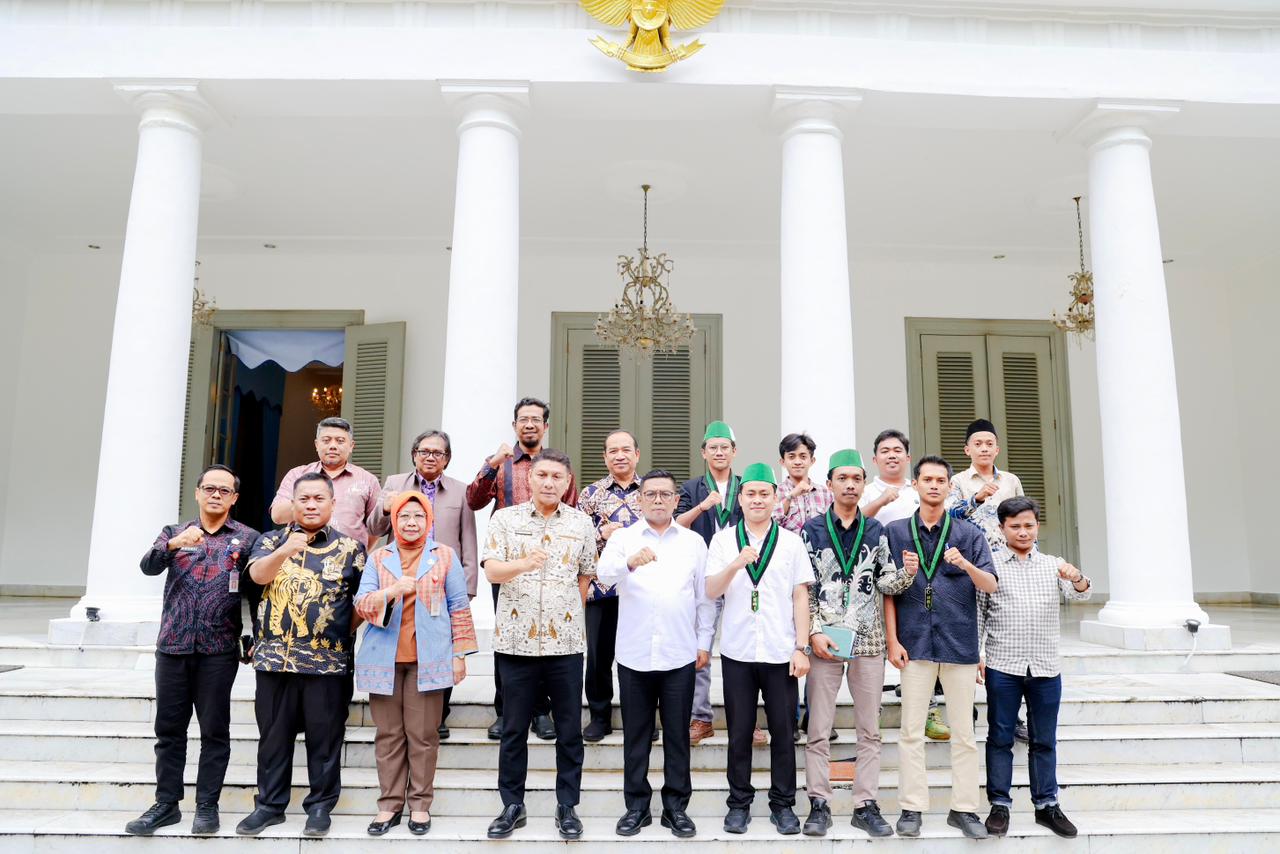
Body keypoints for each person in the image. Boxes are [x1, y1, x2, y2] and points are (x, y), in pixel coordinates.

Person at [126, 464, 259, 837]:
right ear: (198, 493)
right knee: (169, 730)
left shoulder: (247, 538)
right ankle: (166, 804)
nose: (216, 495)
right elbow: (148, 567)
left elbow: (257, 591)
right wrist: (173, 545)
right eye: (210, 488)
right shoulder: (174, 532)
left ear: (234, 498)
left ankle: (206, 806)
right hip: (173, 646)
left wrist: (256, 636)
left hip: (219, 649)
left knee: (215, 730)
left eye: (224, 490)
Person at [235, 472, 367, 838]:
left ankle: (320, 806)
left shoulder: (351, 549)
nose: (311, 505)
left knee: (325, 739)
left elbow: (361, 602)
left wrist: (336, 631)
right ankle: (269, 806)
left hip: (327, 663)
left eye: (318, 499)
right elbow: (257, 578)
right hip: (274, 660)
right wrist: (285, 551)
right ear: (292, 504)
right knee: (273, 737)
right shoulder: (268, 541)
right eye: (304, 499)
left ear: (332, 504)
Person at [482, 449, 597, 841]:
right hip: (516, 643)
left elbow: (585, 576)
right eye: (542, 475)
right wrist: (523, 564)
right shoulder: (505, 519)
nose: (549, 482)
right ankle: (512, 805)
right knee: (514, 729)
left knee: (569, 730)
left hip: (566, 644)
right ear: (530, 478)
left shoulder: (582, 523)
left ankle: (567, 805)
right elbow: (492, 571)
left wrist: (569, 614)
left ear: (568, 482)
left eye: (557, 477)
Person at [883, 455, 997, 840]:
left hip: (959, 643)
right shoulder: (897, 532)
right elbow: (886, 591)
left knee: (963, 733)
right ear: (915, 484)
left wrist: (965, 565)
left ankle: (963, 809)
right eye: (927, 479)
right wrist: (892, 640)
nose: (934, 485)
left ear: (950, 487)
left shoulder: (968, 534)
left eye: (940, 480)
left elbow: (990, 584)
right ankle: (912, 807)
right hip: (913, 643)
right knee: (911, 732)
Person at [597, 469, 715, 839]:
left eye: (665, 494)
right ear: (640, 499)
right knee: (636, 735)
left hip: (679, 654)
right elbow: (603, 574)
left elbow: (704, 598)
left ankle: (676, 808)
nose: (658, 500)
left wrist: (704, 643)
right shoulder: (624, 538)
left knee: (678, 736)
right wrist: (629, 562)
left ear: (676, 500)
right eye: (651, 494)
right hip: (634, 655)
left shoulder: (693, 542)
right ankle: (636, 807)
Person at [801, 449, 913, 838]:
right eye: (843, 478)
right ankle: (819, 803)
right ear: (829, 484)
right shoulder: (812, 529)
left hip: (869, 641)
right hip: (826, 642)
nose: (850, 485)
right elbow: (805, 588)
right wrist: (813, 631)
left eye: (857, 479)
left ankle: (865, 805)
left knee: (869, 730)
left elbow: (885, 583)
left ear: (864, 484)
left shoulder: (876, 530)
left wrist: (907, 574)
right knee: (819, 728)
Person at [354, 492, 478, 836]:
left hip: (430, 659)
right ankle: (389, 804)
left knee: (423, 735)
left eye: (418, 516)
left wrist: (459, 655)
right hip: (384, 660)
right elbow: (361, 603)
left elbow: (459, 606)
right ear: (394, 521)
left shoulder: (445, 556)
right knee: (389, 735)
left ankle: (420, 805)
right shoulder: (379, 557)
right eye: (404, 516)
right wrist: (391, 592)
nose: (411, 523)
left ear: (429, 521)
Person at [705, 462, 814, 836]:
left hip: (780, 650)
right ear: (740, 498)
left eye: (763, 494)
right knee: (739, 733)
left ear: (774, 497)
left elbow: (800, 596)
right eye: (750, 493)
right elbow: (711, 591)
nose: (756, 500)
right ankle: (739, 803)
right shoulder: (723, 540)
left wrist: (801, 647)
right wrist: (736, 564)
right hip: (737, 651)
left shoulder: (791, 542)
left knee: (783, 731)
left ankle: (783, 804)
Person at [980, 497, 1091, 839]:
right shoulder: (990, 565)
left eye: (1028, 525)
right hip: (1003, 665)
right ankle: (999, 805)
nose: (1023, 532)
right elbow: (979, 613)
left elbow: (1081, 594)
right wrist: (977, 655)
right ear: (1002, 529)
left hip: (1045, 667)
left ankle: (1047, 805)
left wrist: (1077, 577)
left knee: (1044, 739)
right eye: (1015, 526)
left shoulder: (1052, 565)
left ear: (1037, 526)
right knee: (1000, 737)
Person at [467, 396, 576, 741]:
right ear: (514, 425)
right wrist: (491, 463)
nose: (529, 424)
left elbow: (571, 512)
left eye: (536, 419)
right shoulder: (501, 465)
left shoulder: (556, 466)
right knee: (508, 637)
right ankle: (506, 711)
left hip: (551, 564)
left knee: (545, 638)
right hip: (508, 564)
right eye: (523, 419)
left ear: (546, 426)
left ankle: (541, 711)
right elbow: (473, 500)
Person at [368, 429, 478, 739]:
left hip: (442, 580)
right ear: (414, 455)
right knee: (405, 647)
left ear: (447, 459)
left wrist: (468, 587)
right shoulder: (394, 484)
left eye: (438, 453)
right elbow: (375, 528)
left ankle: (438, 714)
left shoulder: (461, 491)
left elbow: (468, 539)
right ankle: (400, 711)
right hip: (400, 579)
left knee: (441, 645)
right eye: (424, 451)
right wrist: (386, 507)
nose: (430, 457)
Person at [867, 429, 947, 741]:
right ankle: (870, 717)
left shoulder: (920, 489)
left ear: (908, 457)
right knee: (874, 649)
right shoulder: (867, 490)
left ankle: (929, 712)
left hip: (918, 576)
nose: (892, 455)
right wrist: (880, 501)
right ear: (875, 459)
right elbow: (853, 520)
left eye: (897, 450)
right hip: (874, 576)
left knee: (920, 643)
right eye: (885, 450)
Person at [675, 420, 746, 746]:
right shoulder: (691, 488)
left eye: (724, 447)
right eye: (713, 448)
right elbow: (677, 524)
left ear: (734, 452)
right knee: (699, 646)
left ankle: (745, 719)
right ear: (704, 453)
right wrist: (702, 507)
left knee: (743, 646)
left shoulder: (747, 487)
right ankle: (701, 717)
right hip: (703, 575)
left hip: (741, 574)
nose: (719, 452)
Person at [576, 429, 644, 741]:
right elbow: (576, 539)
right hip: (601, 589)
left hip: (641, 588)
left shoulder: (651, 492)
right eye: (613, 451)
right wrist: (600, 534)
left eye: (625, 450)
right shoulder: (590, 494)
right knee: (598, 658)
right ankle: (599, 717)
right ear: (605, 457)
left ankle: (640, 719)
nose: (620, 455)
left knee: (640, 656)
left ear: (636, 455)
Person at [271, 417, 381, 549]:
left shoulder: (368, 480)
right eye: (326, 440)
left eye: (340, 441)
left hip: (349, 558)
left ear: (351, 446)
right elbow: (277, 516)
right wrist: (309, 500)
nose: (333, 446)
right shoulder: (297, 475)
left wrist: (361, 553)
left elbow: (376, 528)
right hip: (301, 556)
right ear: (317, 444)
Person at [948, 418, 1026, 556]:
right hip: (972, 555)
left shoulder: (1011, 480)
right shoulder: (957, 481)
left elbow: (1025, 518)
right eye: (978, 444)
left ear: (997, 450)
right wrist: (976, 499)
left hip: (1009, 555)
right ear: (967, 450)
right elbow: (950, 515)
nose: (984, 449)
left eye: (989, 444)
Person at [773, 432, 833, 534]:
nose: (797, 462)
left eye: (803, 456)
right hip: (789, 544)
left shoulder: (826, 493)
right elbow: (768, 525)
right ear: (782, 462)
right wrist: (790, 497)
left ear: (812, 461)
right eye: (791, 457)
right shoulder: (775, 492)